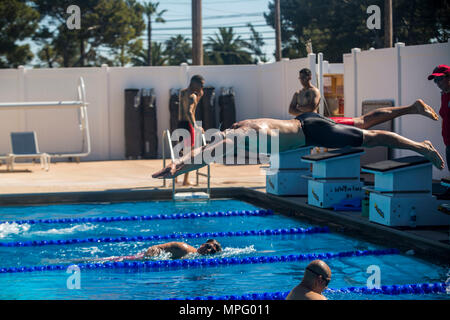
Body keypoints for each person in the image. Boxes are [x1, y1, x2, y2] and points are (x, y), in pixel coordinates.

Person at [152, 95, 444, 180]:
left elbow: (204, 155)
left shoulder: (235, 138)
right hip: (304, 122)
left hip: (312, 132)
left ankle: (422, 147)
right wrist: (180, 165)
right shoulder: (243, 126)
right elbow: (204, 154)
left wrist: (177, 165)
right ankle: (412, 108)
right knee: (362, 121)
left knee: (373, 137)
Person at [176, 75, 205, 186]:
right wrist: (196, 126)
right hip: (188, 126)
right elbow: (189, 112)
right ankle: (185, 180)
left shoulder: (183, 93)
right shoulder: (192, 96)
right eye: (201, 85)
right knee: (189, 154)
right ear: (194, 84)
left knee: (180, 153)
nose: (202, 87)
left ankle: (175, 178)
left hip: (180, 124)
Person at [98, 239, 222, 262]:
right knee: (116, 260)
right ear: (202, 244)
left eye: (211, 251)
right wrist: (150, 256)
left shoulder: (195, 257)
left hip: (152, 259)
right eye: (208, 246)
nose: (208, 250)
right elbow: (157, 247)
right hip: (147, 257)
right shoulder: (183, 247)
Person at [428, 64, 450, 170]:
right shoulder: (444, 95)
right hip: (448, 143)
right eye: (435, 80)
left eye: (440, 78)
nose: (438, 83)